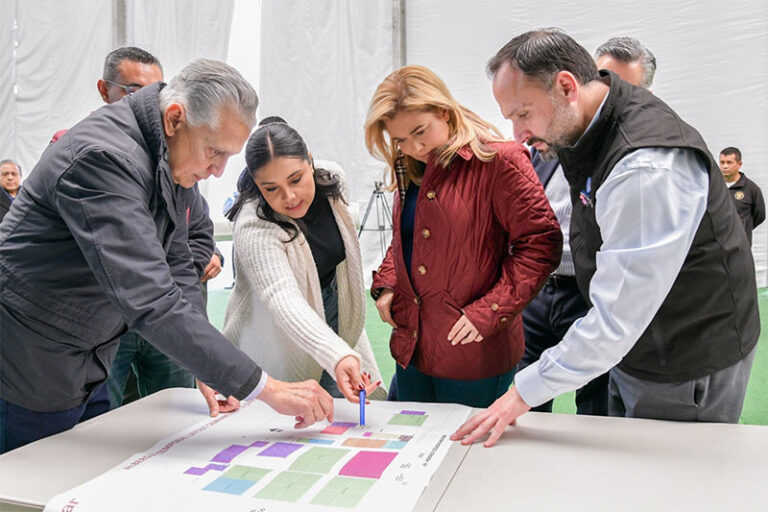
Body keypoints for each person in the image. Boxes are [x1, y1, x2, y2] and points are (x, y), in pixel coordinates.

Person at [0, 59, 334, 454]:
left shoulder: (169, 159)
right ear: (175, 118)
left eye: (229, 156)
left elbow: (177, 270)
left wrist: (206, 364)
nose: (217, 170)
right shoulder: (103, 158)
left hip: (86, 358)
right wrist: (265, 387)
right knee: (35, 482)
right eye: (214, 151)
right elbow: (151, 299)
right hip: (29, 367)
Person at [453, 29, 759, 448]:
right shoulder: (596, 122)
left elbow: (618, 318)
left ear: (566, 86)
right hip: (641, 346)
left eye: (523, 113)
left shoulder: (645, 167)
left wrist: (522, 393)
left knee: (669, 477)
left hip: (685, 357)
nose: (517, 133)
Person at [364, 65, 562, 408]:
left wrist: (489, 310)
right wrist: (388, 282)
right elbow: (406, 236)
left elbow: (540, 244)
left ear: (444, 111)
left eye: (420, 131)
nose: (413, 146)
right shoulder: (409, 165)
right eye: (400, 139)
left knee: (472, 455)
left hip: (475, 352)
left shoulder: (499, 160)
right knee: (414, 448)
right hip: (412, 346)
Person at [518, 36, 658, 417]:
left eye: (622, 86)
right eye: (601, 79)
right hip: (539, 289)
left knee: (595, 406)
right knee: (526, 398)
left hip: (589, 293)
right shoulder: (548, 141)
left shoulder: (634, 157)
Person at [82, 47, 224, 409]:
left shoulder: (176, 165)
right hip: (112, 320)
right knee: (104, 414)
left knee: (176, 410)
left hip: (166, 315)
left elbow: (195, 231)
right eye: (133, 89)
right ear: (104, 90)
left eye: (157, 90)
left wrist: (206, 257)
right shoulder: (96, 154)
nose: (148, 99)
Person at [223, 121, 384, 403]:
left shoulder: (333, 181)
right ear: (256, 183)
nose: (290, 196)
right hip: (277, 336)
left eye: (296, 179)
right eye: (271, 188)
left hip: (335, 315)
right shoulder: (253, 225)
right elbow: (284, 300)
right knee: (290, 422)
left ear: (310, 161)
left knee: (344, 415)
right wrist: (336, 354)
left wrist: (340, 351)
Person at [719, 146, 765, 245]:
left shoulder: (751, 189)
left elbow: (760, 215)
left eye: (729, 162)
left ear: (739, 164)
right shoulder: (713, 186)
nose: (725, 166)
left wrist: (744, 228)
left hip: (741, 245)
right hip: (718, 244)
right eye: (722, 162)